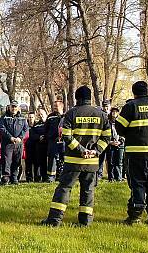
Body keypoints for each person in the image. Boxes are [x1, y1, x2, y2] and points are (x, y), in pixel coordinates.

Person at [40, 86, 111, 227]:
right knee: (88, 191)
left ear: (77, 98)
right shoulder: (101, 114)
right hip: (92, 162)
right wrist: (95, 151)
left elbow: (66, 135)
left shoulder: (71, 113)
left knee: (64, 189)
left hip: (73, 161)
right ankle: (85, 222)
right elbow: (107, 137)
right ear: (89, 98)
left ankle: (54, 220)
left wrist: (81, 150)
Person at [116, 81, 148, 226]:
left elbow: (119, 128)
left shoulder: (130, 106)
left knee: (137, 184)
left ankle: (135, 217)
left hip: (136, 153)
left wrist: (131, 134)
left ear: (134, 92)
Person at [0, 101, 29, 185]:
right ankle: (6, 179)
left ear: (18, 108)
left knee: (17, 161)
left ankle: (14, 178)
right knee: (7, 161)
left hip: (18, 143)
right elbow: (2, 128)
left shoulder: (22, 117)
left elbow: (25, 129)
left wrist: (20, 138)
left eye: (15, 107)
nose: (14, 108)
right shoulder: (4, 117)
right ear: (9, 107)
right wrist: (10, 137)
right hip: (8, 143)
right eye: (12, 107)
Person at [44, 101, 65, 182]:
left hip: (64, 141)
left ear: (61, 107)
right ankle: (51, 177)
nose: (55, 108)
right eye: (54, 106)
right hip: (53, 141)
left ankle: (62, 176)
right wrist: (49, 137)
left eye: (56, 106)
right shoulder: (50, 117)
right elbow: (46, 129)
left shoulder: (66, 116)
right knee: (52, 159)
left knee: (63, 158)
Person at [27, 108, 48, 183]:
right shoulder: (36, 125)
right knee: (39, 163)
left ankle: (48, 177)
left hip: (48, 145)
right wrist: (39, 137)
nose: (41, 116)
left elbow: (51, 132)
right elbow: (32, 135)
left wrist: (45, 136)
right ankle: (40, 177)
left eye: (42, 114)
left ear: (45, 114)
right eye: (39, 115)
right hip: (39, 146)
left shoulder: (48, 123)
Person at [106, 107, 126, 182]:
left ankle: (119, 178)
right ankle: (111, 178)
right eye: (113, 112)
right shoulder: (107, 122)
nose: (114, 113)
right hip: (110, 144)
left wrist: (120, 141)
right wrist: (110, 142)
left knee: (119, 162)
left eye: (116, 112)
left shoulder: (121, 122)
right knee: (110, 162)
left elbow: (124, 134)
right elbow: (105, 134)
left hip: (120, 144)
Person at [97, 100, 112, 180]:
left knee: (110, 160)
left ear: (110, 106)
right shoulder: (100, 115)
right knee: (100, 159)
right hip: (102, 140)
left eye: (107, 106)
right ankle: (99, 175)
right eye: (104, 106)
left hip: (111, 141)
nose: (105, 108)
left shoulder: (113, 115)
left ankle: (111, 176)